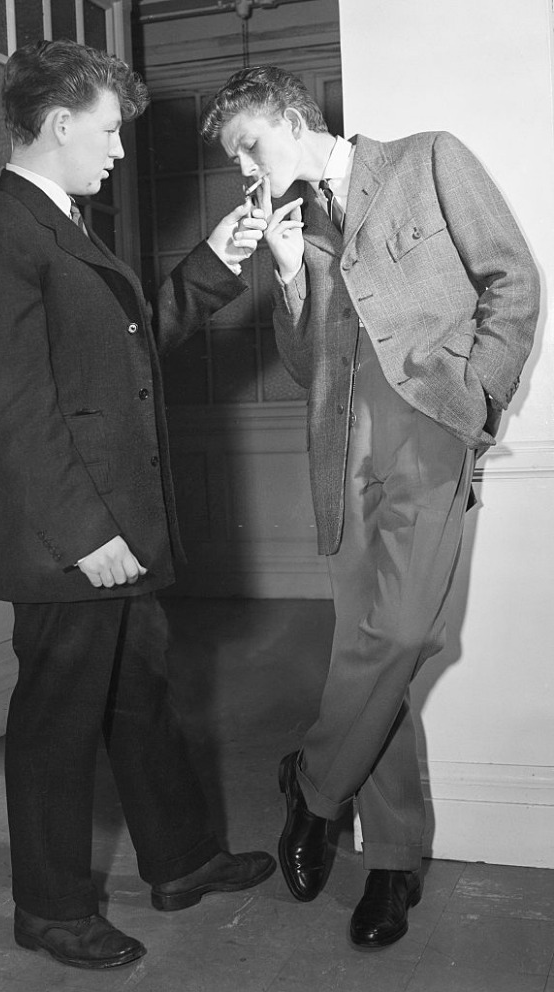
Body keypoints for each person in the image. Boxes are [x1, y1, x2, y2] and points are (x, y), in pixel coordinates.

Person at [0, 40, 275, 971]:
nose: (119, 152)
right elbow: (18, 414)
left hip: (116, 529)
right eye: (106, 132)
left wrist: (215, 261)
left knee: (144, 701)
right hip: (70, 540)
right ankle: (49, 910)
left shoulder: (61, 225)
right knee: (57, 725)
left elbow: (122, 360)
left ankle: (179, 862)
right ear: (58, 126)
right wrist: (89, 534)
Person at [200, 65, 540, 948]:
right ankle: (391, 863)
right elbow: (309, 367)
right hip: (339, 452)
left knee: (398, 638)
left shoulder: (427, 160)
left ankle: (311, 788)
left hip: (430, 433)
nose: (243, 170)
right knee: (369, 652)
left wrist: (479, 399)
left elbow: (513, 277)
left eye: (247, 146)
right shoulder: (298, 224)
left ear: (285, 116)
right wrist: (286, 279)